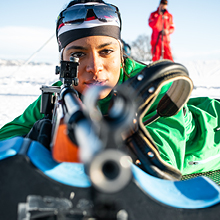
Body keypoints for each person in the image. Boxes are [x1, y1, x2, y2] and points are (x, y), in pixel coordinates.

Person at [0, 0, 220, 177]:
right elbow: (6, 138)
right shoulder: (62, 95)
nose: (95, 67)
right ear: (64, 63)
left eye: (106, 51)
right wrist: (37, 142)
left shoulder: (154, 88)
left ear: (121, 55)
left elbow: (160, 165)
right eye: (78, 54)